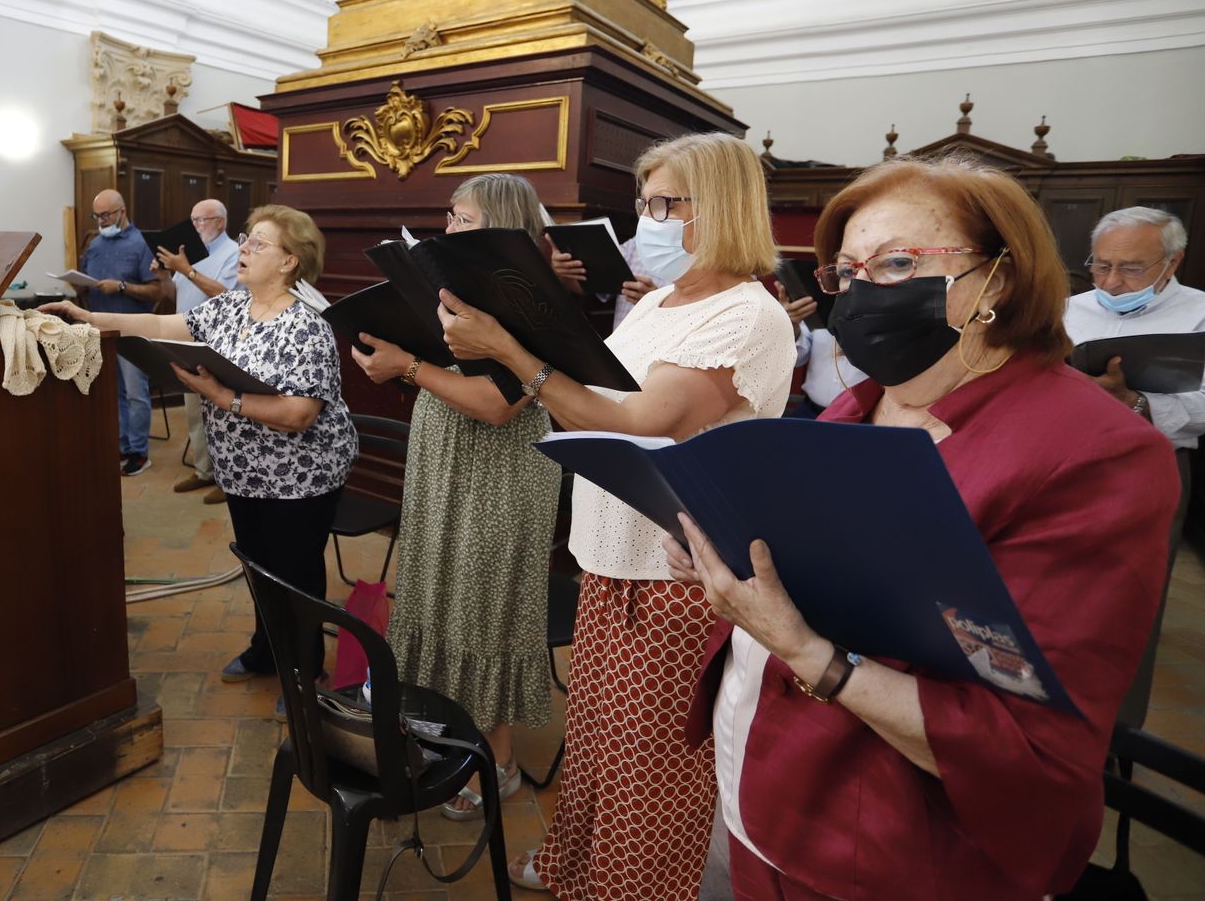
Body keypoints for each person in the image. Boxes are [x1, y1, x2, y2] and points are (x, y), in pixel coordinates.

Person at [671, 157, 1174, 901]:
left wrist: (805, 649)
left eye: (900, 262)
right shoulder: (860, 404)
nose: (865, 291)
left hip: (890, 848)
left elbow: (1032, 744)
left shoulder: (1096, 451)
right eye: (846, 271)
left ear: (998, 280)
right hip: (756, 783)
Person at [437, 133, 795, 899]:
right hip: (607, 552)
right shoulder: (662, 301)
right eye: (645, 204)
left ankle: (631, 888)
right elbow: (590, 395)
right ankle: (576, 872)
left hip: (676, 574)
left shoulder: (749, 316)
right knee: (597, 745)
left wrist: (507, 351)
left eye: (669, 203)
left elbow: (642, 419)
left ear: (724, 207)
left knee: (651, 770)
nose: (650, 221)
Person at [42, 204, 357, 684]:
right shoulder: (230, 306)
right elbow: (163, 327)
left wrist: (223, 396)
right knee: (257, 566)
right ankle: (265, 648)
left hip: (300, 477)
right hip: (242, 470)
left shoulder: (307, 325)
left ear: (290, 261)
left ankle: (303, 670)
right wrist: (87, 316)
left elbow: (298, 413)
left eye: (258, 243)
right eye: (246, 239)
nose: (244, 248)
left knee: (295, 577)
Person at [350, 173, 563, 821]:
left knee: (484, 608)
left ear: (499, 224)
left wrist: (407, 368)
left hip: (501, 471)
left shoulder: (533, 300)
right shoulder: (456, 292)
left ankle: (494, 763)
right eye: (449, 216)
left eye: (463, 220)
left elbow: (498, 405)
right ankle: (448, 733)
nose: (449, 230)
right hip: (445, 451)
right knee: (438, 591)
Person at [1063, 205, 1203, 725]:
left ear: (1173, 262)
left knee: (1128, 608)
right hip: (1064, 469)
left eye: (1132, 268)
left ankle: (1117, 731)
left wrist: (1136, 404)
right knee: (1057, 598)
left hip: (1151, 475)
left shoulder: (1199, 314)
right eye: (1101, 267)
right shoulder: (1068, 309)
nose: (1114, 283)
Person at [152, 197, 239, 504]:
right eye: (193, 220)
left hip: (219, 343)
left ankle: (230, 481)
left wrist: (185, 269)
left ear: (221, 222)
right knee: (194, 412)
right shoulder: (187, 252)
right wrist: (165, 275)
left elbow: (226, 296)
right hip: (187, 337)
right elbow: (173, 294)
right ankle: (204, 471)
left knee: (223, 414)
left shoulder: (233, 253)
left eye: (202, 220)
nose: (196, 226)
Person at [80, 188, 163, 476]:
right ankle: (121, 445)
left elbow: (156, 290)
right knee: (112, 393)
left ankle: (139, 452)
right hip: (101, 330)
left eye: (106, 215)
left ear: (122, 212)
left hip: (133, 330)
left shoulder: (141, 244)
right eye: (97, 215)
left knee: (135, 394)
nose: (101, 221)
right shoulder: (95, 244)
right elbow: (86, 278)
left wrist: (122, 286)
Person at [775, 284, 867, 417]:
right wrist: (790, 324)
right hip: (810, 411)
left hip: (862, 418)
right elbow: (798, 357)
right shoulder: (820, 299)